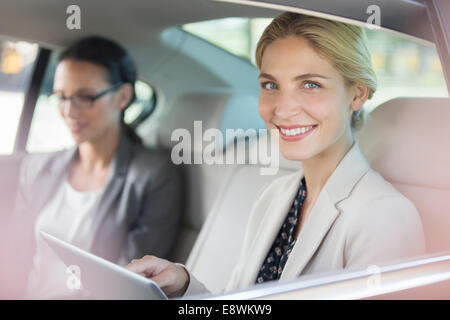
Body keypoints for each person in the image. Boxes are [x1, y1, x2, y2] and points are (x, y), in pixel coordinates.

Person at [126, 12, 426, 298]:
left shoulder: (383, 216)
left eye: (310, 85)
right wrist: (183, 284)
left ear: (357, 94)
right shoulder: (275, 194)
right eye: (271, 85)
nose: (282, 109)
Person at [3, 36, 183, 299]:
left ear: (123, 96)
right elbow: (13, 256)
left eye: (85, 97)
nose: (69, 110)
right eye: (61, 97)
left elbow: (130, 282)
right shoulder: (38, 167)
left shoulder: (152, 175)